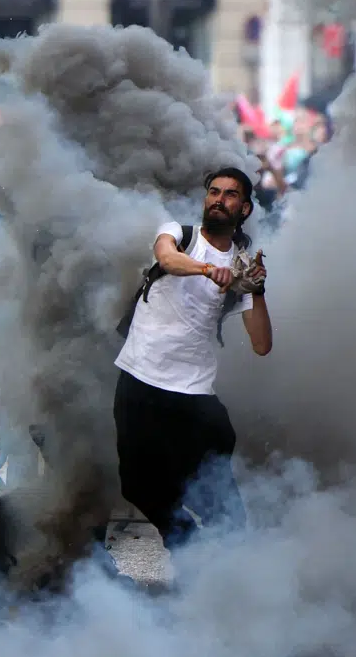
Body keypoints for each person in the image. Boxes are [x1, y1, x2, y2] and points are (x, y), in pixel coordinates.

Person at [109, 167, 272, 564]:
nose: (219, 199)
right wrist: (206, 269)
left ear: (244, 208)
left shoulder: (241, 267)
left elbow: (262, 344)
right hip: (139, 381)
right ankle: (190, 555)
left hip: (193, 395)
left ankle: (240, 571)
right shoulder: (180, 235)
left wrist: (257, 290)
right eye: (214, 192)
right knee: (138, 487)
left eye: (230, 195)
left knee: (215, 495)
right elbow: (166, 258)